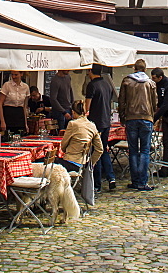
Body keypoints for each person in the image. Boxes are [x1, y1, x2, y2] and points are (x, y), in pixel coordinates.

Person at [118, 59, 158, 192]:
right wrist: (152, 116)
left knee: (133, 150)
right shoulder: (150, 83)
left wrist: (122, 117)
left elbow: (121, 101)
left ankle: (135, 180)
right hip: (146, 118)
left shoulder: (127, 81)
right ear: (145, 69)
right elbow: (154, 102)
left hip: (131, 118)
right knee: (145, 151)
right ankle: (142, 181)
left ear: (134, 68)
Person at [85, 63, 116, 191]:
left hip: (95, 123)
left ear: (91, 71)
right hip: (106, 121)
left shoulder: (92, 85)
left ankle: (97, 184)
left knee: (95, 152)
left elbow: (87, 106)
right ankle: (111, 177)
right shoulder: (107, 84)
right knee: (103, 151)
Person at [57, 100, 103, 173]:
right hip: (83, 163)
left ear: (73, 112)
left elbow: (63, 146)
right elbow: (100, 149)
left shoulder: (73, 124)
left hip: (70, 162)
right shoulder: (92, 125)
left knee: (43, 161)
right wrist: (90, 164)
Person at [0, 71, 30, 137]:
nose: (13, 77)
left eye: (16, 75)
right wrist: (2, 121)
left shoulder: (26, 87)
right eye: (12, 74)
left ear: (21, 74)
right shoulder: (7, 85)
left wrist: (26, 123)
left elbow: (24, 107)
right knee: (7, 138)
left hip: (19, 115)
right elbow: (0, 103)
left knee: (20, 138)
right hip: (8, 114)